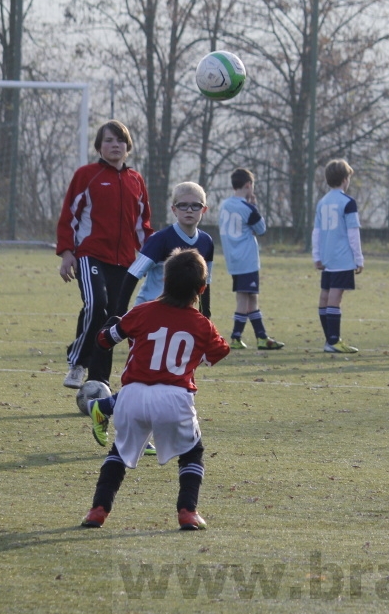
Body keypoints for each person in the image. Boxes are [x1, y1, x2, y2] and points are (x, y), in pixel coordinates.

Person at [80, 249, 229, 531]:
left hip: (132, 395)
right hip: (175, 397)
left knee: (119, 454)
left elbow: (104, 340)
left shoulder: (142, 312)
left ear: (164, 282)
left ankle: (98, 510)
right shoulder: (202, 325)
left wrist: (109, 329)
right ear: (201, 289)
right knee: (191, 453)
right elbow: (219, 351)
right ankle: (187, 512)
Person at [84, 182, 215, 448]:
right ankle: (129, 430)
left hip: (180, 319)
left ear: (204, 209)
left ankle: (105, 407)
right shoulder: (161, 240)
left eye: (195, 205)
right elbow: (133, 274)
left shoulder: (206, 242)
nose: (189, 210)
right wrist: (119, 314)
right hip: (150, 318)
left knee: (161, 381)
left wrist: (205, 315)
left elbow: (205, 281)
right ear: (173, 209)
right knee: (150, 380)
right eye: (183, 205)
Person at [57, 120, 153, 390]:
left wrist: (152, 256)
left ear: (128, 147)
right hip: (90, 255)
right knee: (96, 303)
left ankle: (98, 380)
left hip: (125, 261)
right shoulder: (87, 175)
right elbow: (69, 216)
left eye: (120, 140)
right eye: (109, 140)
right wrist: (66, 253)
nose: (115, 145)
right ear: (99, 147)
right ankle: (77, 362)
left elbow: (143, 224)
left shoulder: (136, 180)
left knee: (114, 317)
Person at [217, 168, 283, 351]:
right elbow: (261, 229)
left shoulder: (224, 205)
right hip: (247, 259)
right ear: (248, 185)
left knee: (251, 297)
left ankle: (261, 337)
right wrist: (254, 207)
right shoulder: (247, 207)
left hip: (233, 258)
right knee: (244, 299)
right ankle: (236, 337)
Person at [313, 159, 364, 354]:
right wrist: (358, 259)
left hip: (326, 257)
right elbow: (353, 233)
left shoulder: (322, 202)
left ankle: (330, 340)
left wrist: (316, 255)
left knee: (325, 296)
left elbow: (316, 231)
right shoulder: (348, 203)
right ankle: (333, 341)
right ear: (345, 180)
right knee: (335, 297)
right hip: (342, 258)